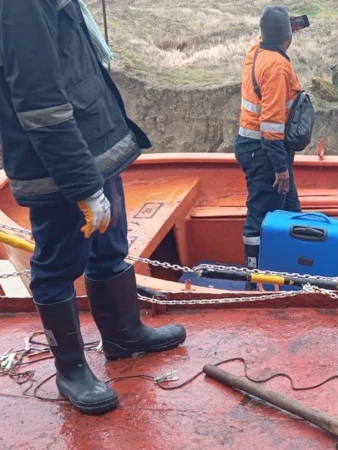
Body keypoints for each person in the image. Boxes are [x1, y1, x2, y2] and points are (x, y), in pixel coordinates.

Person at [0, 0, 186, 414]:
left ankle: (124, 334)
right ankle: (71, 372)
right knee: (56, 267)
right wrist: (84, 186)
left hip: (93, 148)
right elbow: (39, 102)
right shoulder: (22, 6)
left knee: (109, 248)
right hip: (59, 168)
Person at [236, 5, 303, 289]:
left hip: (256, 147)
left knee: (290, 209)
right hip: (265, 152)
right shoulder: (277, 67)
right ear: (286, 36)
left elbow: (273, 34)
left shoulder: (257, 50)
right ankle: (255, 278)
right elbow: (272, 124)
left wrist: (287, 27)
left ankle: (294, 267)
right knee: (261, 215)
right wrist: (280, 169)